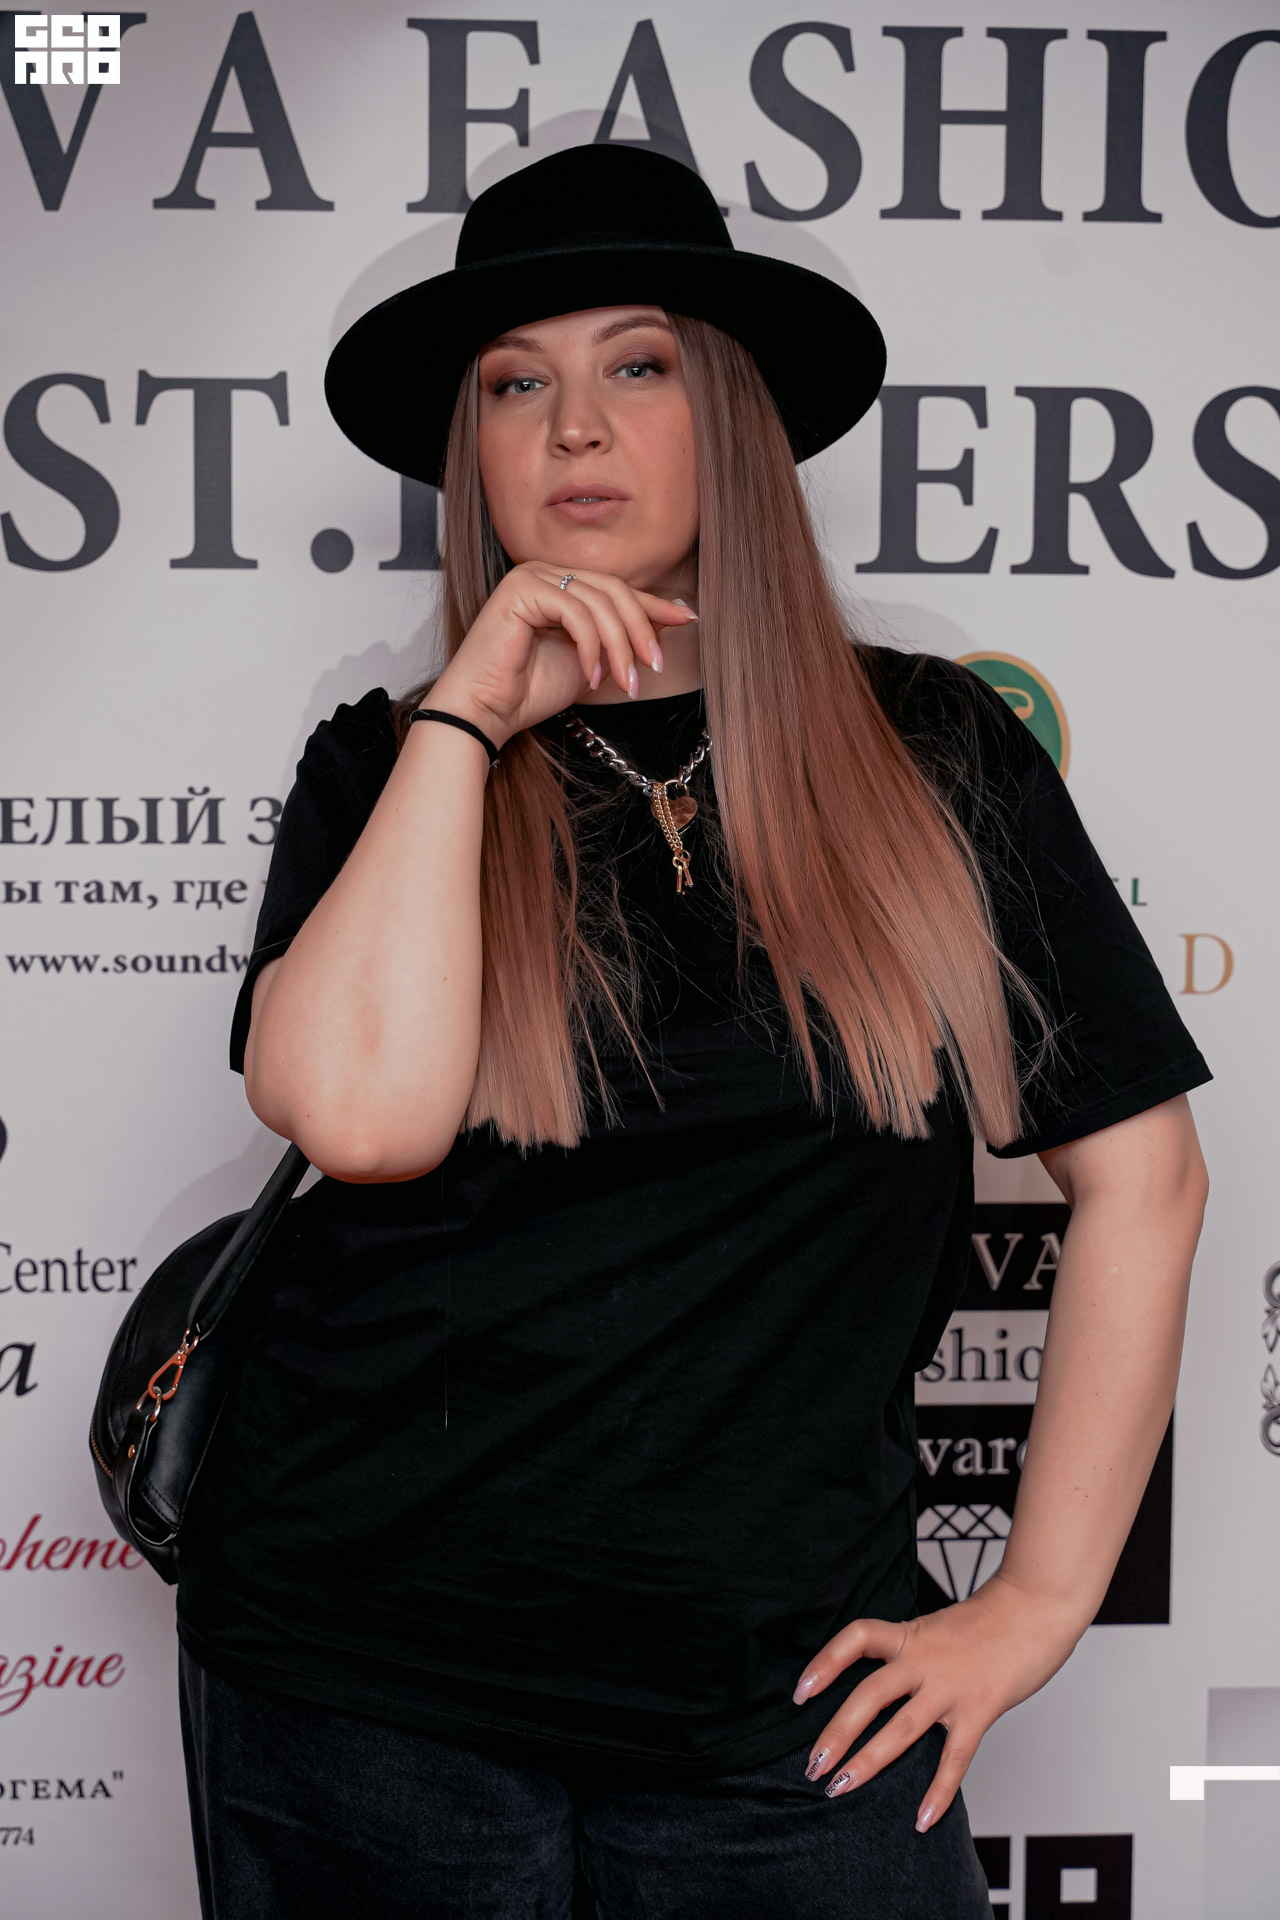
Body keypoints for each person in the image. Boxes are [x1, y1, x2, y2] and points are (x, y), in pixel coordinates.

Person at [176, 145, 1210, 1920]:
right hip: (361, 1685)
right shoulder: (385, 763)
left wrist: (1037, 1604)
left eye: (636, 364)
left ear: (729, 416)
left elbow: (1147, 1179)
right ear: (474, 458)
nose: (575, 426)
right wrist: (467, 721)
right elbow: (358, 1118)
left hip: (788, 1707)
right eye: (516, 386)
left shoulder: (934, 755)